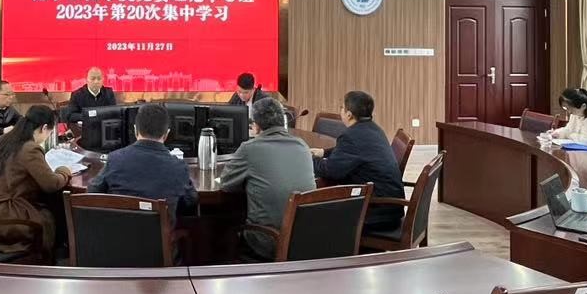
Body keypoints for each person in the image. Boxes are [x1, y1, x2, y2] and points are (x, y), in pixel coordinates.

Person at [219, 95, 316, 260]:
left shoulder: (250, 148)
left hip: (266, 242)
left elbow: (226, 184)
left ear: (256, 126)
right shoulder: (302, 145)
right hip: (302, 239)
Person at [0, 105, 73, 256]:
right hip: (10, 220)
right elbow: (51, 184)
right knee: (56, 208)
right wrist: (64, 171)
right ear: (44, 128)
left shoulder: (3, 140)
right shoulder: (29, 148)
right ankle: (58, 256)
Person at [88, 101, 197, 224]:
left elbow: (93, 191)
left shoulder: (115, 159)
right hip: (159, 235)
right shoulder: (178, 167)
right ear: (166, 134)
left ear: (135, 130)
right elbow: (191, 200)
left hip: (118, 233)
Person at [310, 90, 404, 206]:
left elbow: (331, 171)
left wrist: (307, 159)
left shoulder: (351, 136)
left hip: (376, 206)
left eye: (342, 107)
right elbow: (351, 151)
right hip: (389, 201)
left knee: (315, 207)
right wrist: (323, 152)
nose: (340, 110)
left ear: (349, 115)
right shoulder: (373, 128)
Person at [63, 67, 117, 131]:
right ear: (86, 80)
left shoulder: (108, 93)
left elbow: (114, 113)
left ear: (103, 80)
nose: (96, 81)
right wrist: (89, 116)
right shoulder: (77, 94)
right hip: (84, 130)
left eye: (99, 78)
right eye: (93, 78)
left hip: (104, 129)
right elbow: (70, 116)